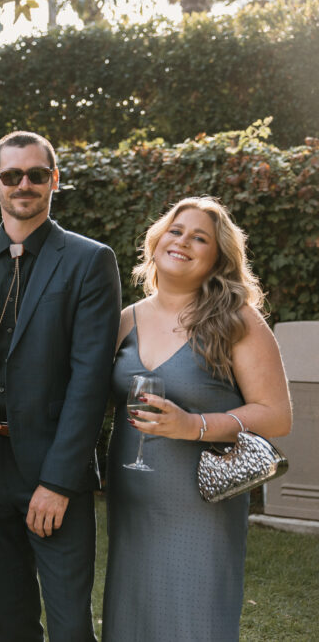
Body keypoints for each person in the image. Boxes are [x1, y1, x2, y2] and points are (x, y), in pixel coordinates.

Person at [0, 130, 122, 641]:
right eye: (12, 175)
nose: (24, 184)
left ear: (54, 180)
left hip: (55, 469)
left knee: (70, 626)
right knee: (8, 624)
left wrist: (59, 483)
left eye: (37, 174)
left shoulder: (90, 260)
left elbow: (91, 380)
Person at [102, 196, 292, 641]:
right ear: (156, 242)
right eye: (176, 230)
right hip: (132, 496)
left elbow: (277, 415)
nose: (183, 241)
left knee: (194, 622)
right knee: (132, 619)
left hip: (200, 503)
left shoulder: (236, 320)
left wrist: (195, 426)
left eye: (200, 238)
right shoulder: (125, 319)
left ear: (218, 258)